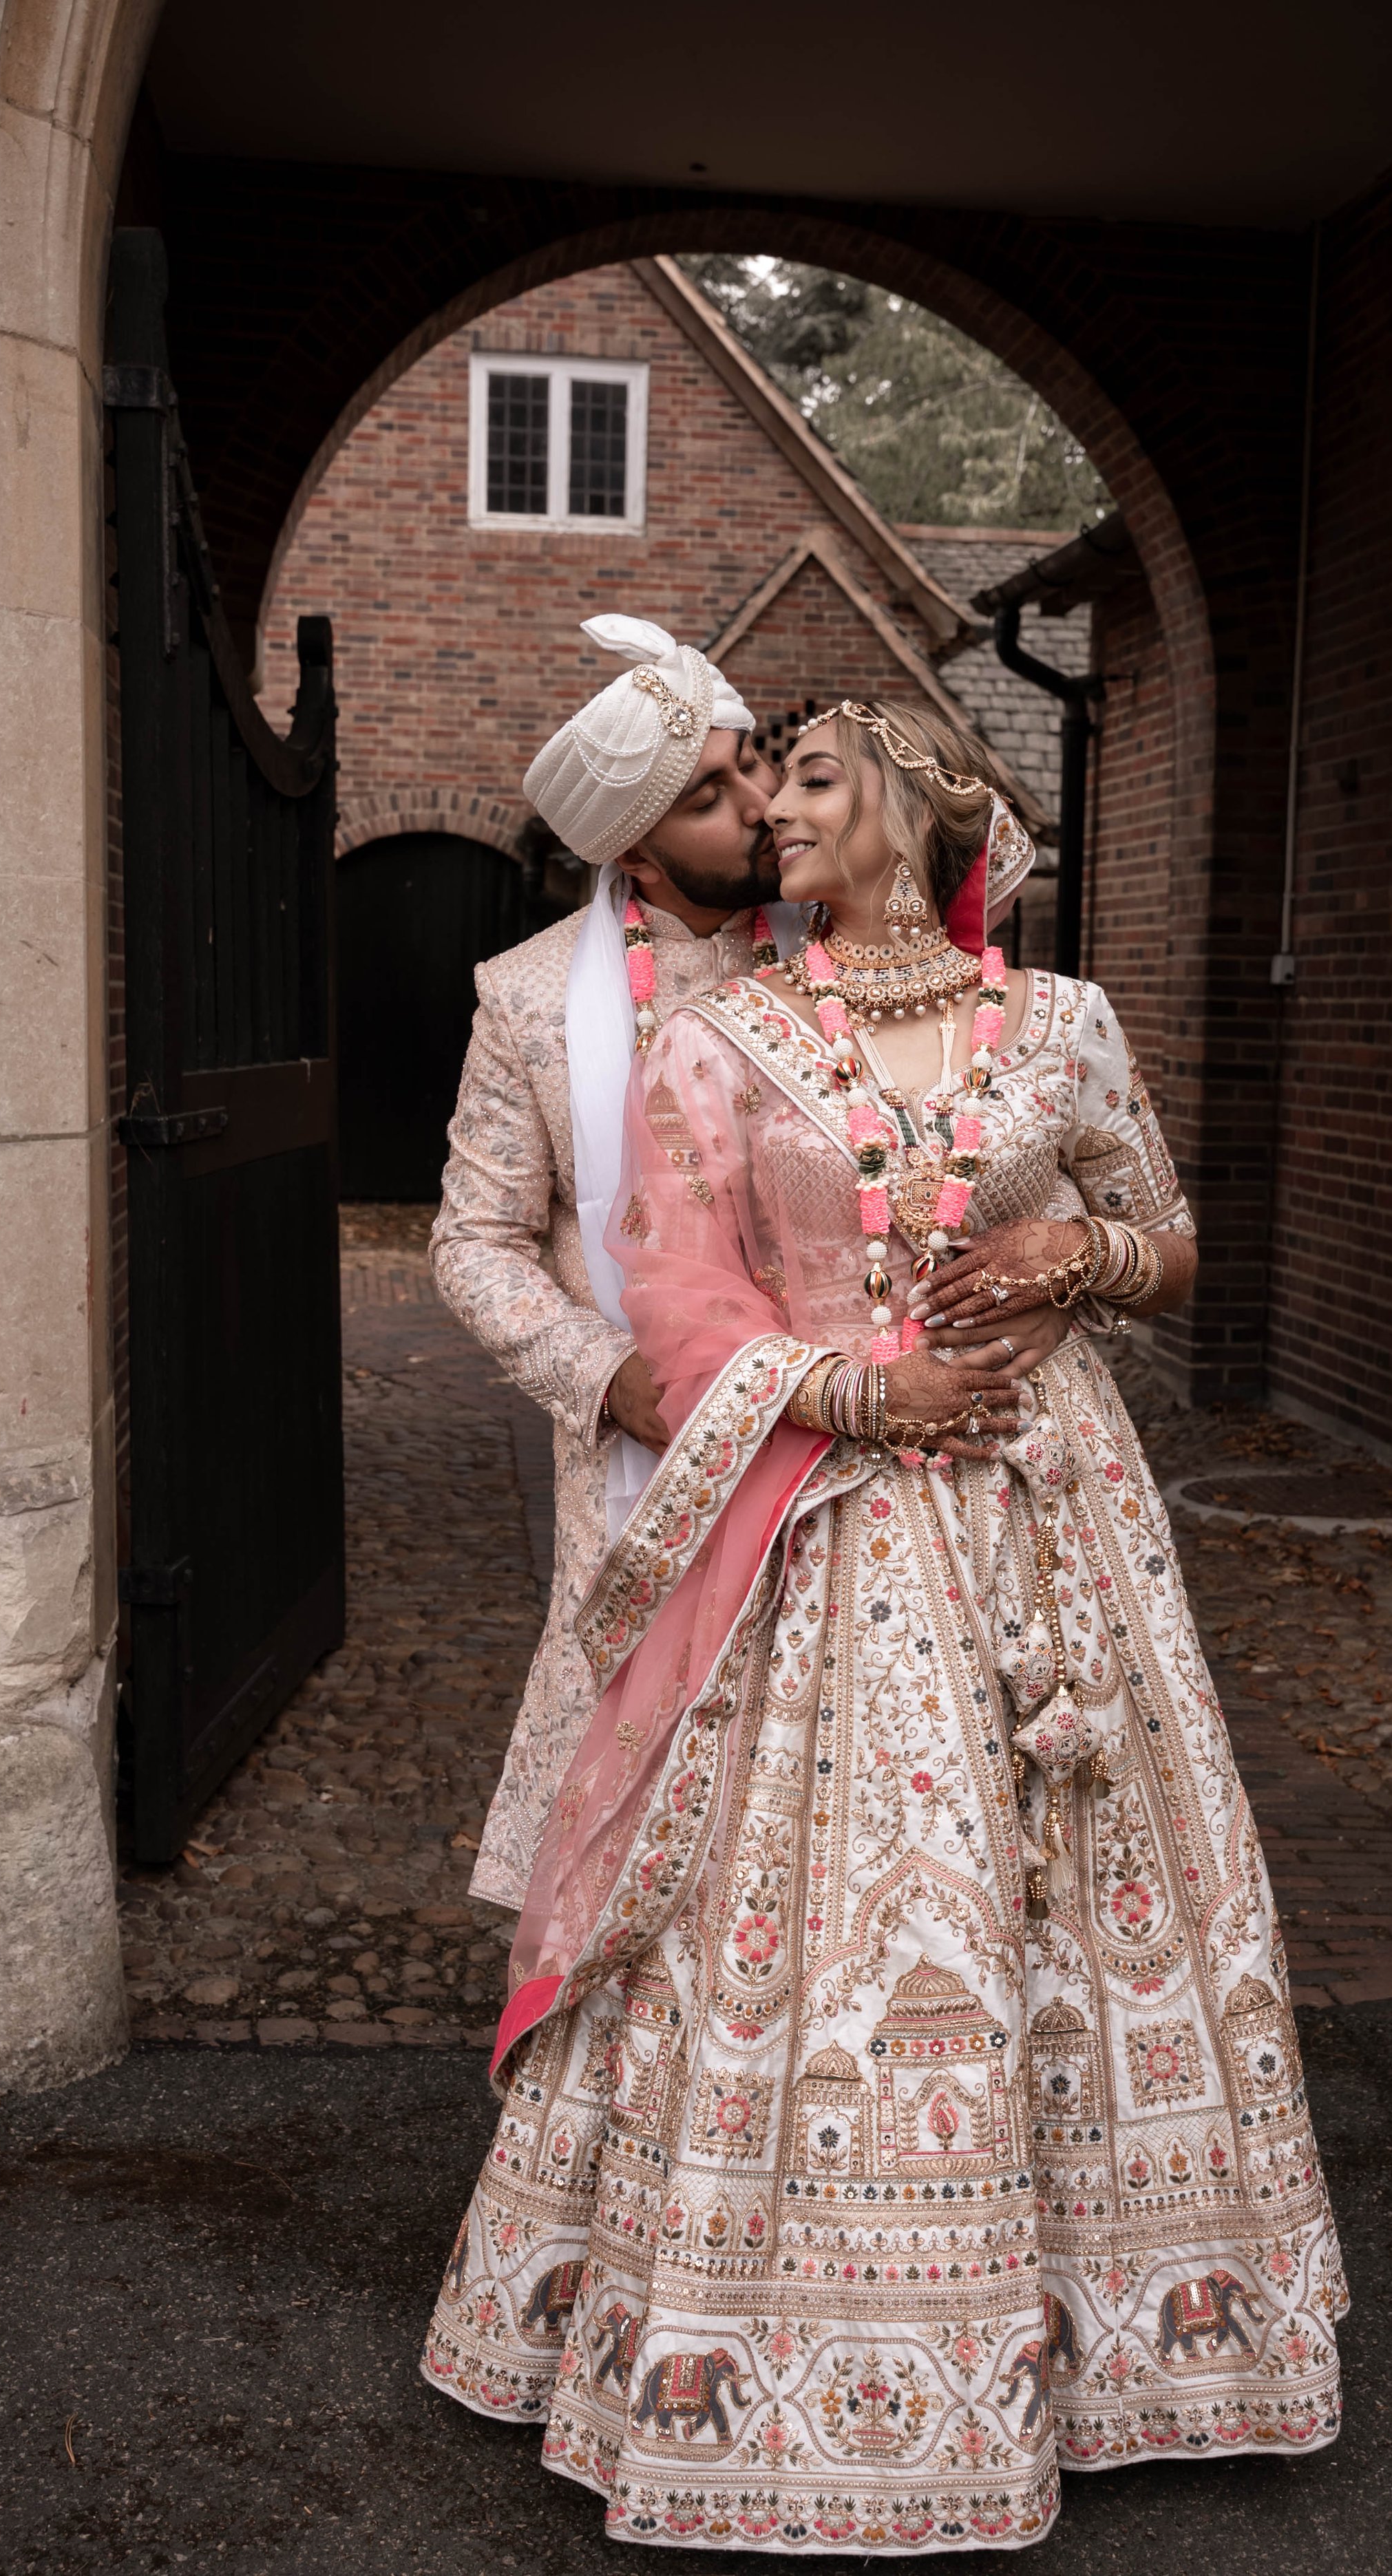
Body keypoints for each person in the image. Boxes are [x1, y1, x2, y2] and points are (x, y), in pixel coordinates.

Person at [424, 699, 1346, 2550]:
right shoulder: (721, 1032)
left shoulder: (1064, 1022)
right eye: (752, 786)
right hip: (825, 1526)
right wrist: (842, 1398)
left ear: (928, 809)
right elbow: (672, 1289)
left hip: (1054, 1528)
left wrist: (1064, 1258)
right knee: (823, 1908)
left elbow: (1166, 1243)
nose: (771, 809)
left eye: (810, 778)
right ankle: (759, 2344)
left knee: (1081, 1888)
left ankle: (1119, 2336)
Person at [432, 615, 799, 1909]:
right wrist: (606, 1375)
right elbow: (473, 1243)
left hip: (844, 1437)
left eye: (756, 762)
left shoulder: (847, 955)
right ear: (634, 846)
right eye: (712, 793)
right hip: (644, 1459)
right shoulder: (531, 1002)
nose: (762, 803)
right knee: (640, 1837)